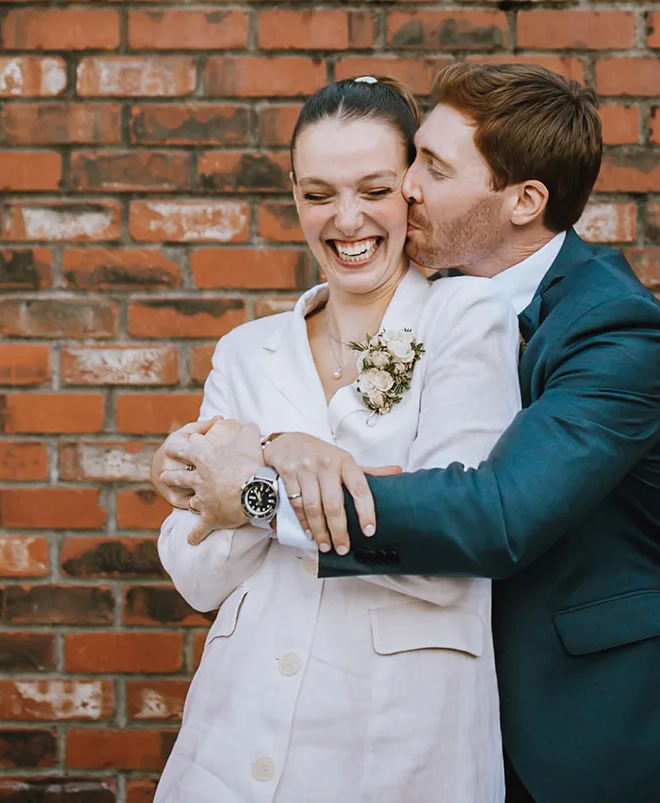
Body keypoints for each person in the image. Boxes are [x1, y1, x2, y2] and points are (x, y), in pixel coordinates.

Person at [157, 62, 660, 803]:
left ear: (525, 200)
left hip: (592, 723)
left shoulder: (610, 326)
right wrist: (214, 466)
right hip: (411, 706)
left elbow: (494, 515)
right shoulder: (305, 334)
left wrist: (258, 489)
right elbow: (195, 549)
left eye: (429, 168)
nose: (405, 189)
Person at [151, 75, 516, 803]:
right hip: (233, 743)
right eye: (319, 194)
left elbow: (447, 552)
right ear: (293, 195)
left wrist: (253, 486)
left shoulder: (468, 318)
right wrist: (278, 446)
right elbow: (196, 574)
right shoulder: (246, 350)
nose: (347, 221)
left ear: (411, 185)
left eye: (372, 189)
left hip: (398, 747)